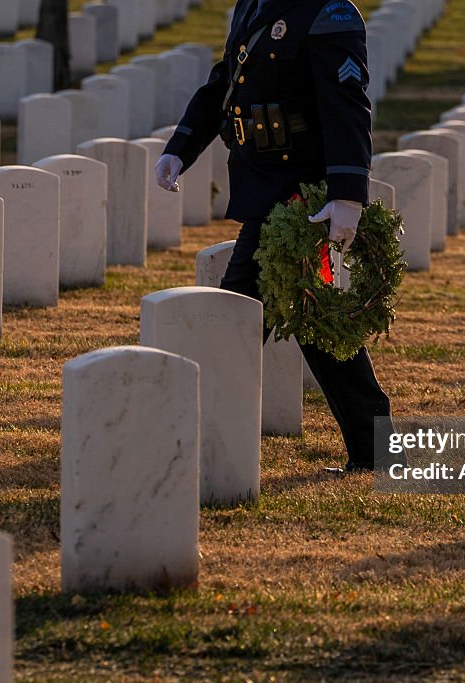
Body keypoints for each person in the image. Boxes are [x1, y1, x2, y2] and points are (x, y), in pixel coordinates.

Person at [156, 0, 392, 471]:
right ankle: (375, 447)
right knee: (316, 319)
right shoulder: (253, 5)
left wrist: (348, 195)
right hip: (262, 183)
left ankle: (181, 443)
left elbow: (347, 104)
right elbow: (226, 82)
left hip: (297, 195)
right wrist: (181, 147)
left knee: (233, 319)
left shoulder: (329, 13)